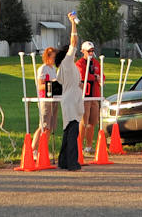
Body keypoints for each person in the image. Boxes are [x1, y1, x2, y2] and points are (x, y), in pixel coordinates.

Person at [56, 11, 84, 170]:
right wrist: (73, 22)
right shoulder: (67, 62)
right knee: (73, 132)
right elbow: (74, 41)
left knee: (68, 131)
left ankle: (63, 161)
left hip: (69, 99)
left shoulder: (64, 68)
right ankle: (72, 163)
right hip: (71, 101)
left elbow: (65, 82)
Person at [34, 47, 62, 162]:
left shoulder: (53, 69)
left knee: (50, 127)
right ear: (48, 57)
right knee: (43, 125)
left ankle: (43, 149)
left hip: (54, 99)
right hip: (45, 99)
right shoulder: (43, 69)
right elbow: (40, 85)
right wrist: (51, 85)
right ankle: (34, 149)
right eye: (53, 57)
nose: (55, 60)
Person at [76, 41, 104, 155]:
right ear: (83, 51)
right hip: (85, 95)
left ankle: (88, 146)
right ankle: (79, 145)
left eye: (92, 51)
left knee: (93, 121)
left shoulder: (96, 62)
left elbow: (102, 76)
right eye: (89, 51)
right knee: (84, 121)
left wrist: (98, 77)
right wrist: (95, 77)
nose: (91, 53)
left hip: (95, 95)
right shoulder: (79, 63)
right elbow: (83, 75)